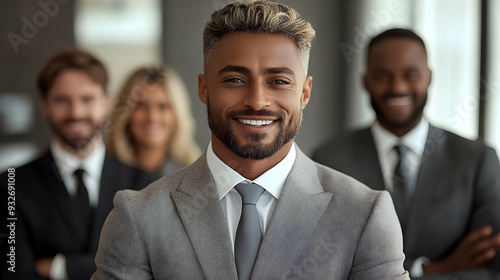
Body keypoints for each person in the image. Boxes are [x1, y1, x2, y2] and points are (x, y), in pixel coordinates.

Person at [92, 1, 409, 279]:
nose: (257, 100)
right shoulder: (138, 216)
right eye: (235, 79)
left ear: (305, 92)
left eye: (278, 81)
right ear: (203, 89)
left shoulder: (364, 213)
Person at [312, 28, 500, 279]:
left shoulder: (477, 160)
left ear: (429, 77)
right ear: (365, 81)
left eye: (410, 74)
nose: (397, 87)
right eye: (382, 75)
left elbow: (489, 269)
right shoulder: (328, 160)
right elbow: (326, 263)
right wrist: (432, 269)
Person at [0, 49, 151, 280]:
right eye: (62, 100)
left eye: (87, 99)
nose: (76, 112)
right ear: (44, 105)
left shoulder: (144, 182)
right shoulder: (10, 185)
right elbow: (12, 274)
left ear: (106, 103)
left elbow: (150, 269)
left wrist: (61, 268)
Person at [106, 66, 201, 178]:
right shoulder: (102, 170)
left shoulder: (196, 173)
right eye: (140, 106)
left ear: (178, 114)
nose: (152, 118)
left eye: (163, 106)